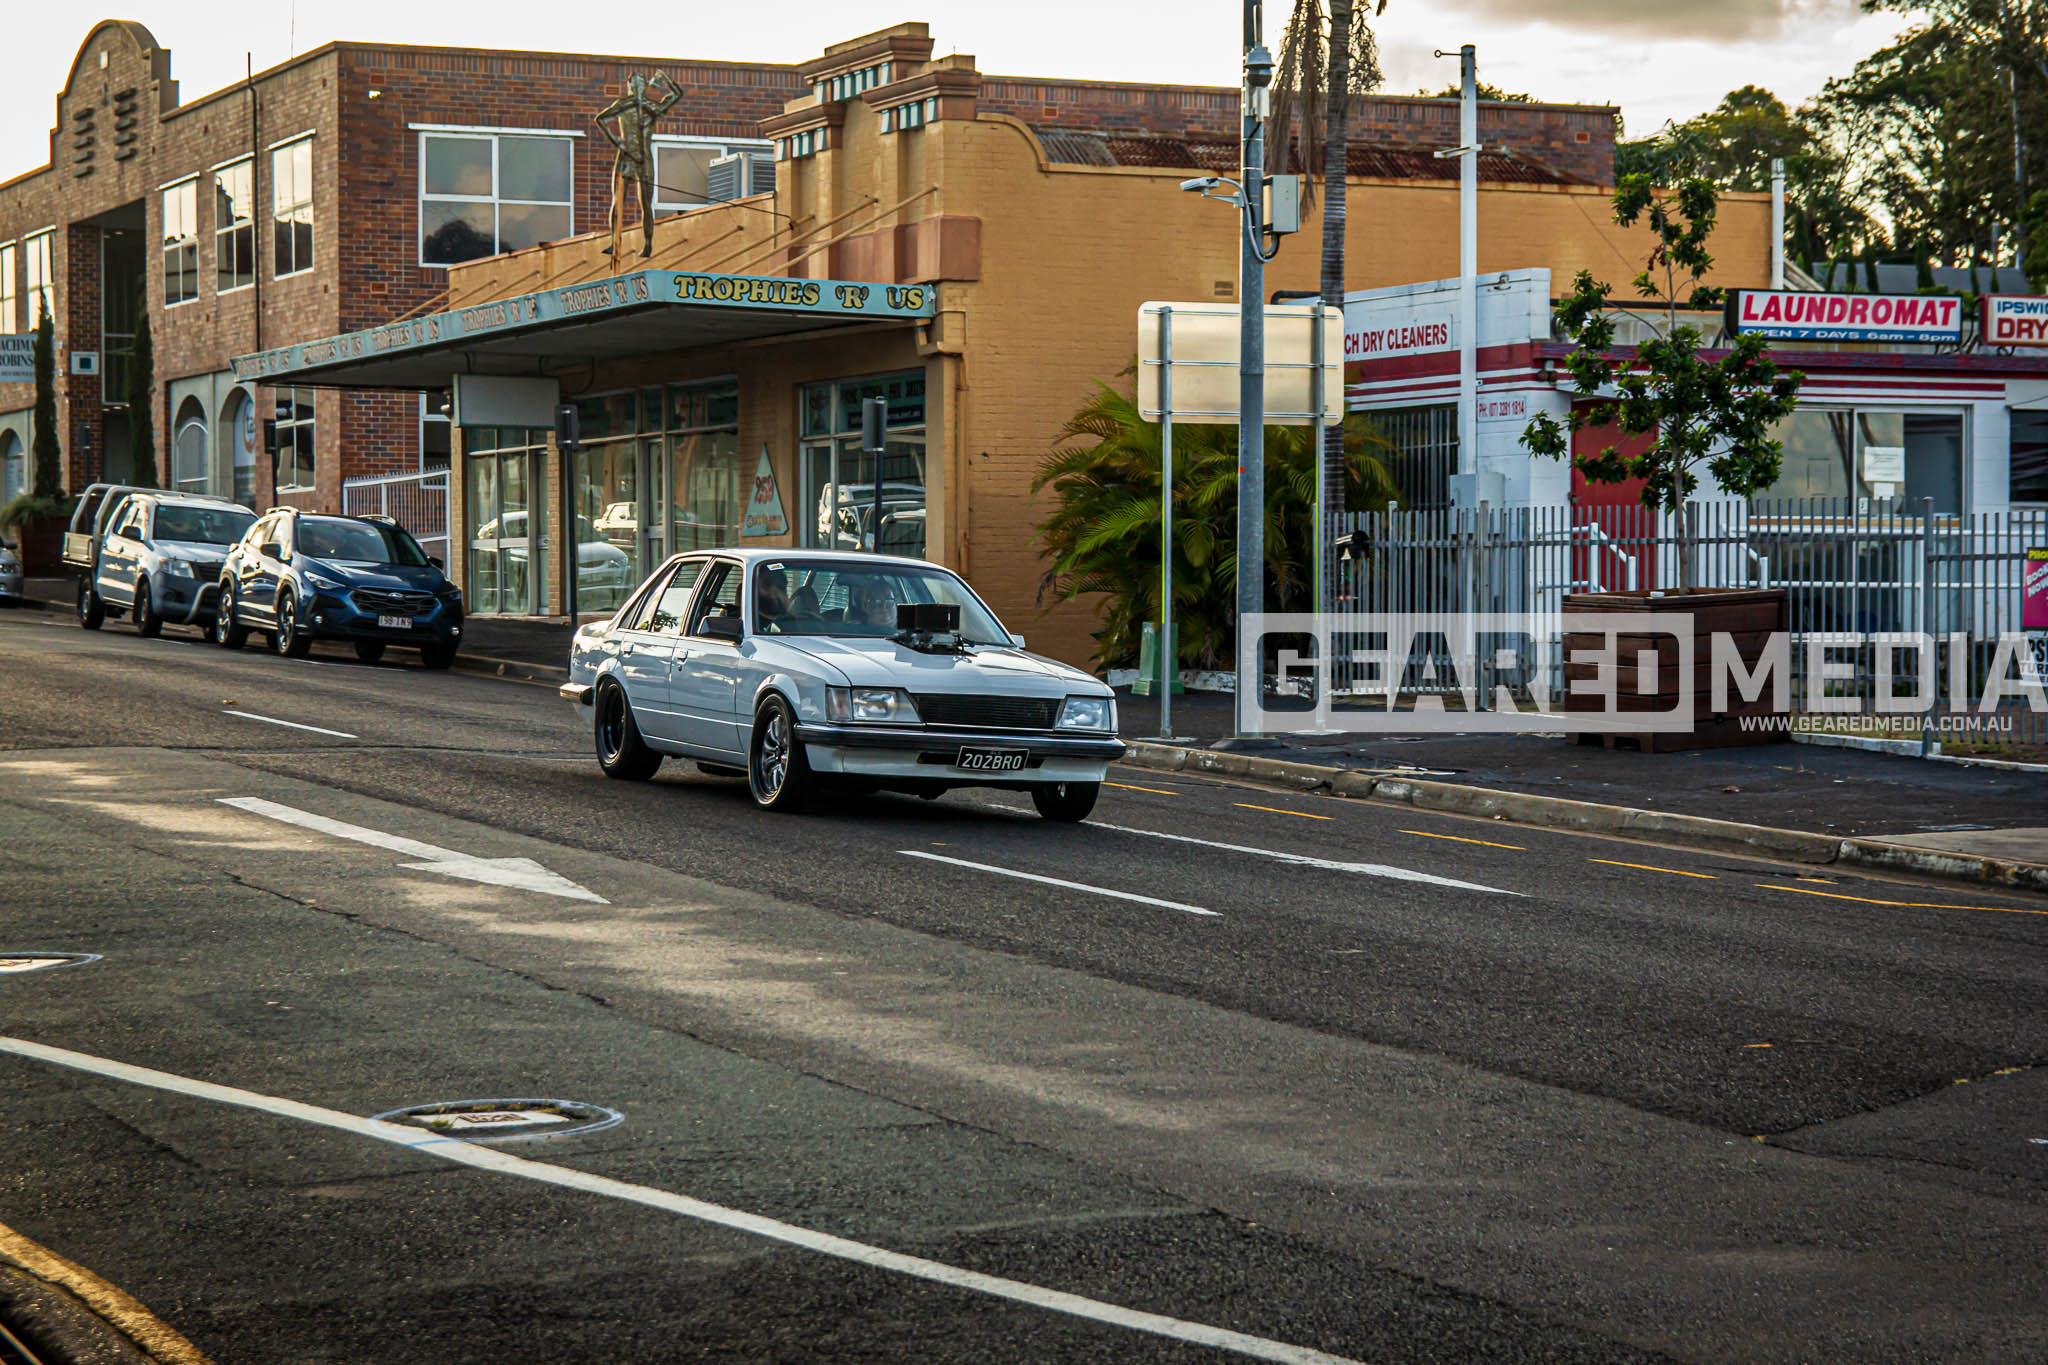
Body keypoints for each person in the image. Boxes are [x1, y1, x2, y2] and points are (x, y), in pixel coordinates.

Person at [756, 566, 791, 630]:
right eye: (766, 585)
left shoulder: (794, 623)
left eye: (781, 587)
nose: (773, 594)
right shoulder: (745, 622)